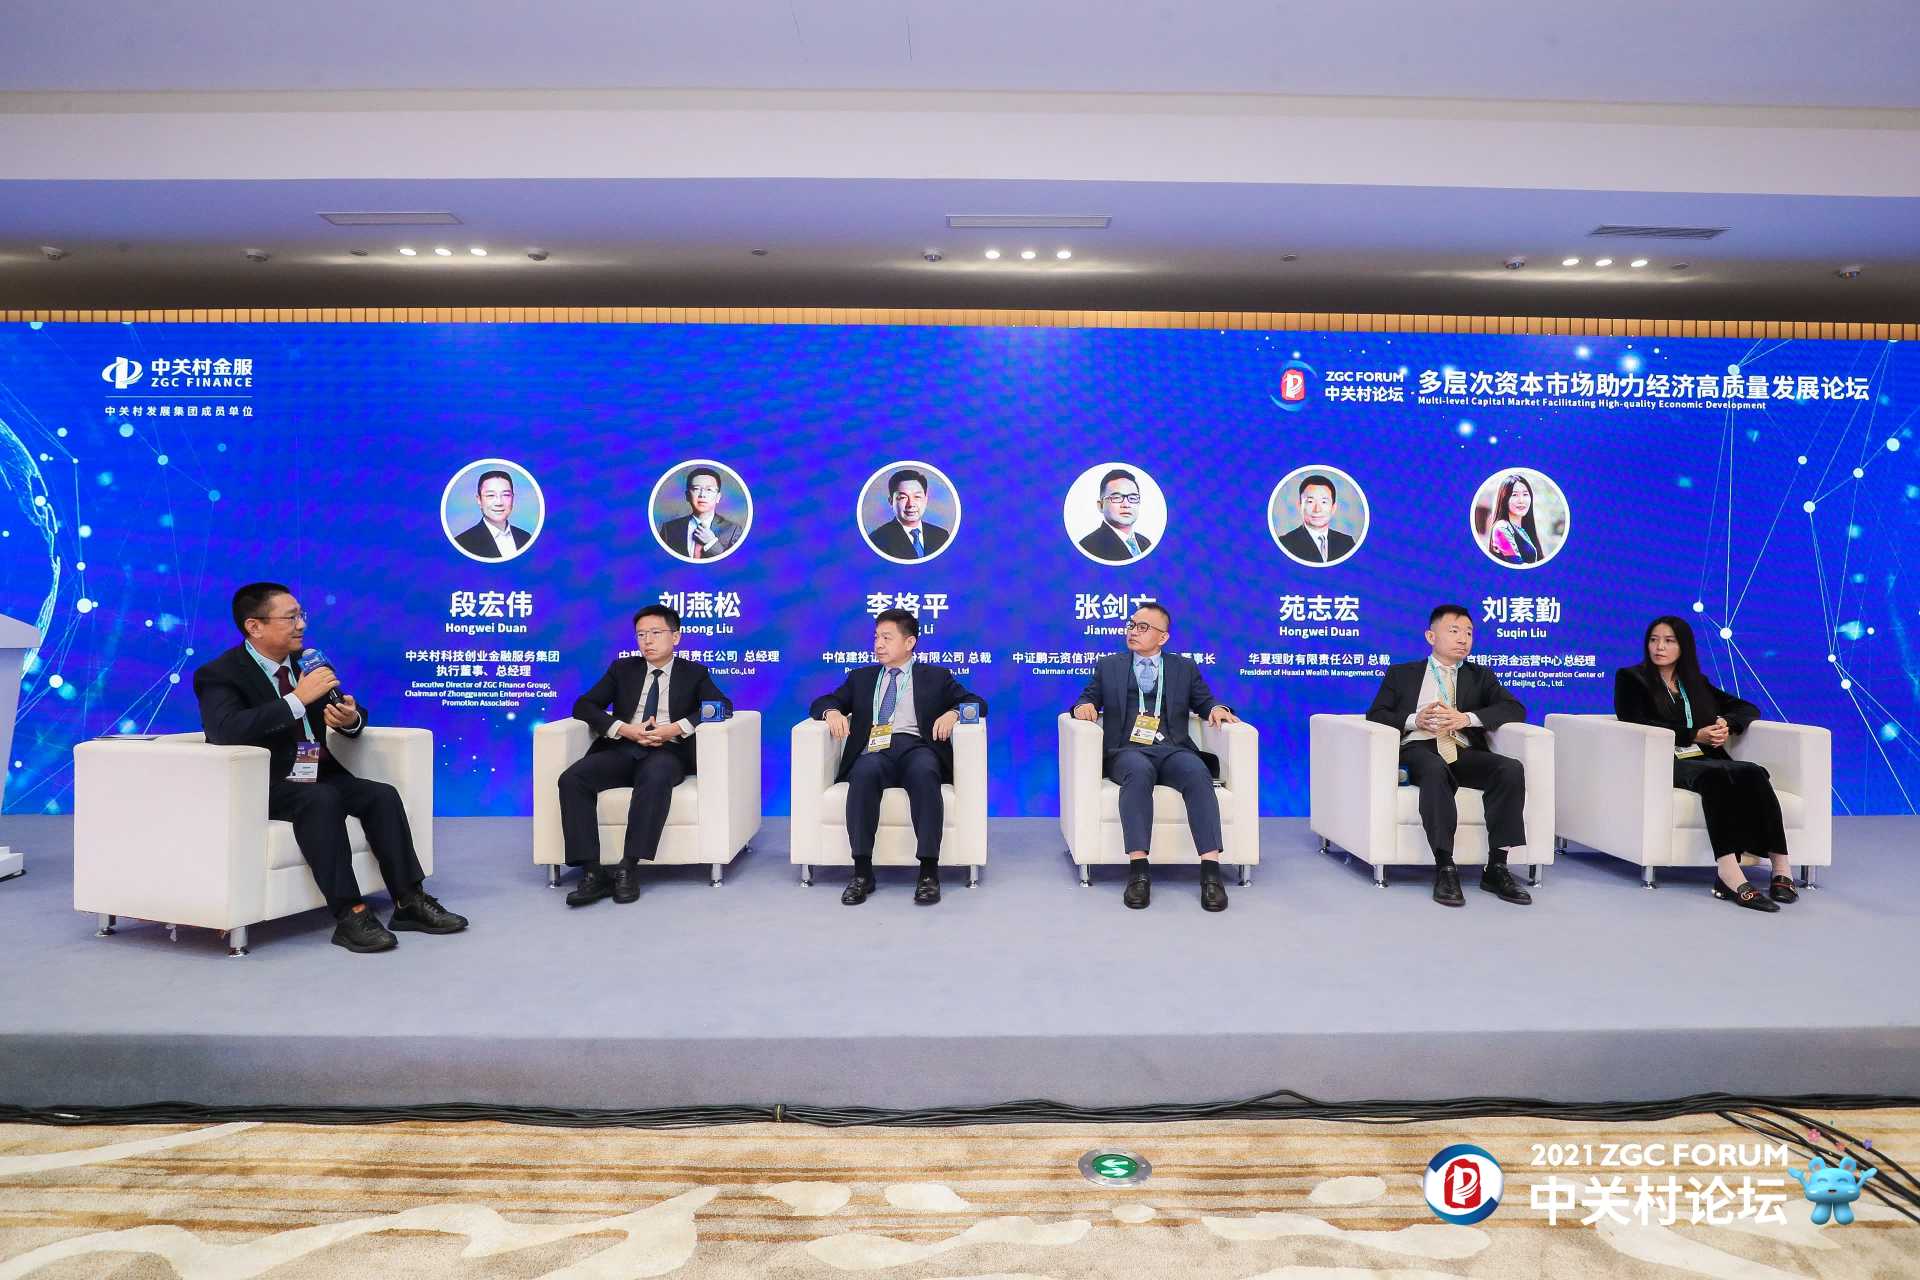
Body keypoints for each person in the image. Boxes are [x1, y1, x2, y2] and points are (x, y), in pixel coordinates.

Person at [194, 582, 467, 953]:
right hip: (267, 782)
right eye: (290, 618)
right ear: (254, 626)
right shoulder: (220, 674)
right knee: (321, 800)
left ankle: (409, 901)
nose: (301, 625)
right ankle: (351, 914)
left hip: (318, 771)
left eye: (301, 615)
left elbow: (349, 712)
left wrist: (350, 719)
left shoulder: (309, 663)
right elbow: (226, 730)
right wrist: (296, 700)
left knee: (381, 795)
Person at [1614, 615, 1795, 912]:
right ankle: (1729, 873)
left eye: (1669, 641)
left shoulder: (1696, 682)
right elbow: (1634, 719)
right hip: (1665, 758)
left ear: (1683, 646)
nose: (1659, 647)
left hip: (1706, 757)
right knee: (1715, 779)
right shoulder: (1631, 679)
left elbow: (1747, 708)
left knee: (1753, 772)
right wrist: (1693, 734)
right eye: (1654, 640)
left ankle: (1781, 867)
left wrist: (1727, 723)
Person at [557, 604, 732, 906]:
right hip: (623, 747)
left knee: (655, 776)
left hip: (669, 751)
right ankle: (592, 872)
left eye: (655, 633)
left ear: (675, 637)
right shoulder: (622, 670)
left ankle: (628, 867)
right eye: (640, 635)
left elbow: (722, 707)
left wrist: (675, 728)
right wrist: (624, 729)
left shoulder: (694, 673)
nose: (647, 641)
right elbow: (584, 706)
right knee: (572, 779)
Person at [810, 608, 985, 906]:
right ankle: (862, 873)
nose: (878, 644)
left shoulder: (936, 677)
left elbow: (976, 702)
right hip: (875, 749)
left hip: (917, 747)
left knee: (925, 773)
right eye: (876, 637)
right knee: (862, 774)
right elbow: (823, 701)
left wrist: (954, 713)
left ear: (909, 642)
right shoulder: (862, 678)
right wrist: (832, 712)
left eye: (887, 638)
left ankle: (928, 872)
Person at [1072, 601, 1238, 911]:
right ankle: (1139, 872)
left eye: (1143, 627)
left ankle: (1211, 873)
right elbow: (1087, 697)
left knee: (1197, 773)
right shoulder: (1109, 666)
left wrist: (1217, 709)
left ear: (1163, 637)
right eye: (1131, 625)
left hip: (1173, 749)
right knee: (1137, 773)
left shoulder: (1183, 668)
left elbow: (1205, 701)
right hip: (1126, 751)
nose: (1133, 631)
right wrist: (1084, 706)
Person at [1364, 604, 1533, 907]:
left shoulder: (1480, 676)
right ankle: (1445, 868)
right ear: (1431, 636)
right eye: (1454, 631)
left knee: (1509, 769)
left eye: (1469, 632)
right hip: (1420, 748)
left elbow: (1514, 708)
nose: (1463, 639)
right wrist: (1415, 720)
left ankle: (1497, 867)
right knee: (1434, 769)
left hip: (1462, 749)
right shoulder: (1402, 674)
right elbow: (1376, 714)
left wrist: (1467, 719)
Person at [657, 466, 745, 561]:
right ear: (687, 496)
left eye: (709, 489)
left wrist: (712, 543)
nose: (702, 495)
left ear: (718, 497)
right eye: (696, 489)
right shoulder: (669, 529)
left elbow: (736, 564)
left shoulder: (732, 530)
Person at [867, 468, 951, 559]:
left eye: (917, 496)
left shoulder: (941, 536)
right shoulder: (877, 540)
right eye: (903, 497)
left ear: (925, 499)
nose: (911, 504)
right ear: (891, 501)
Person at [1277, 473, 1357, 565]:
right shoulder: (1285, 544)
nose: (1317, 509)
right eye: (1310, 501)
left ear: (1333, 508)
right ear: (1300, 506)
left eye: (1324, 502)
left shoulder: (1346, 542)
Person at [453, 469, 534, 560]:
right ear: (479, 500)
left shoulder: (525, 537)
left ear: (513, 498)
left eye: (506, 495)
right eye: (491, 495)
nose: (499, 502)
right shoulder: (462, 543)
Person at [1079, 468, 1153, 562]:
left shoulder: (1146, 543)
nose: (1126, 505)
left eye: (1133, 498)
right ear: (1101, 505)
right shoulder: (1087, 547)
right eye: (1117, 497)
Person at [1485, 472, 1543, 565]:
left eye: (1525, 494)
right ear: (1504, 499)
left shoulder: (1524, 529)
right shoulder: (1502, 528)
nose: (1521, 500)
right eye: (1514, 495)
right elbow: (1517, 565)